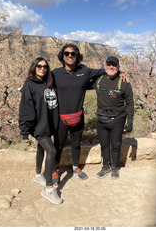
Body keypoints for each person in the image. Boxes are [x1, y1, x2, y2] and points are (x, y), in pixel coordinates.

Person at [52, 44, 129, 181]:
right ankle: (54, 170)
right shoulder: (56, 73)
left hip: (78, 116)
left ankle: (75, 168)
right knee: (58, 145)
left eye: (73, 53)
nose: (70, 55)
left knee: (76, 145)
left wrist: (121, 72)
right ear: (62, 56)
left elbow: (106, 70)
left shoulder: (85, 72)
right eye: (67, 53)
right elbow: (41, 80)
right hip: (61, 118)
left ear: (77, 56)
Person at [19, 57, 62, 205]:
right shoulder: (29, 86)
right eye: (39, 66)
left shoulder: (49, 83)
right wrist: (24, 130)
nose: (42, 68)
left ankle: (38, 174)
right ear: (34, 67)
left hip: (50, 125)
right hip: (39, 127)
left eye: (45, 66)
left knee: (41, 148)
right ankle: (48, 189)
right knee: (51, 151)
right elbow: (25, 108)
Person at [94, 56, 134, 179]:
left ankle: (115, 167)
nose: (111, 67)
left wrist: (130, 121)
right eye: (109, 64)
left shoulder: (124, 82)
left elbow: (130, 102)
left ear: (118, 67)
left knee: (116, 145)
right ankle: (106, 166)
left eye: (114, 65)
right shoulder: (98, 80)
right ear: (105, 66)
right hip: (101, 119)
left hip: (117, 119)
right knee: (104, 145)